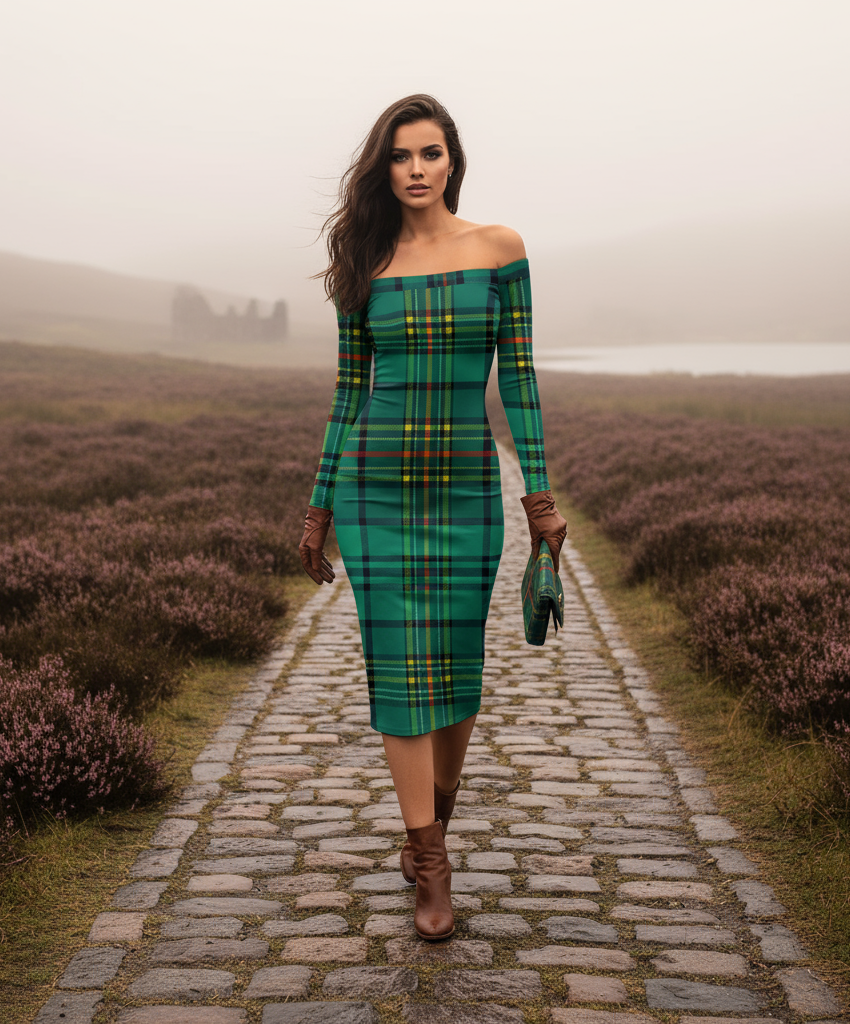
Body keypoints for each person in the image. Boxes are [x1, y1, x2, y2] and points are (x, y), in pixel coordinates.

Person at [299, 94, 566, 942]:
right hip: (374, 488)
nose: (416, 169)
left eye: (430, 154)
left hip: (462, 487)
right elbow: (348, 394)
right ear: (384, 168)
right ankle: (432, 861)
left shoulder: (500, 250)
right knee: (398, 672)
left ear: (453, 162)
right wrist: (317, 510)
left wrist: (540, 497)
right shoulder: (364, 261)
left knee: (454, 673)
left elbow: (518, 378)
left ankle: (433, 825)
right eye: (400, 156)